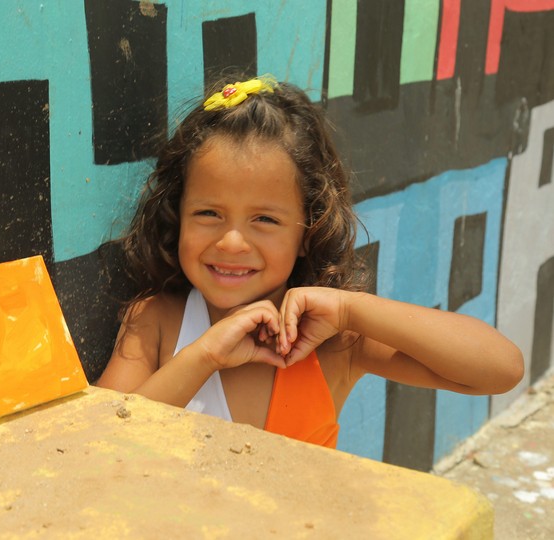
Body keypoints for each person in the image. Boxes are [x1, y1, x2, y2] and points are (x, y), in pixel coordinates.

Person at [96, 75, 524, 448]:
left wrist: (349, 308)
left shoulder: (333, 343)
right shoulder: (155, 322)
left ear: (308, 231)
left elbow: (500, 369)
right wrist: (202, 356)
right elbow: (91, 443)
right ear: (178, 215)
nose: (230, 242)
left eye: (265, 219)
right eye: (208, 213)